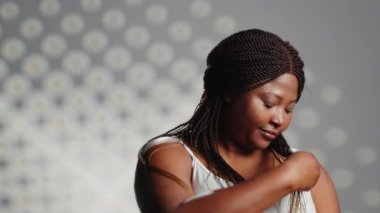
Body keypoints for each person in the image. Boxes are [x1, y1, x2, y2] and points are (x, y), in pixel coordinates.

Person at [134, 29, 340, 212]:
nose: (279, 119)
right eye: (268, 103)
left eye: (289, 109)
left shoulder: (308, 172)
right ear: (229, 90)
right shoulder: (169, 156)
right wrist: (285, 179)